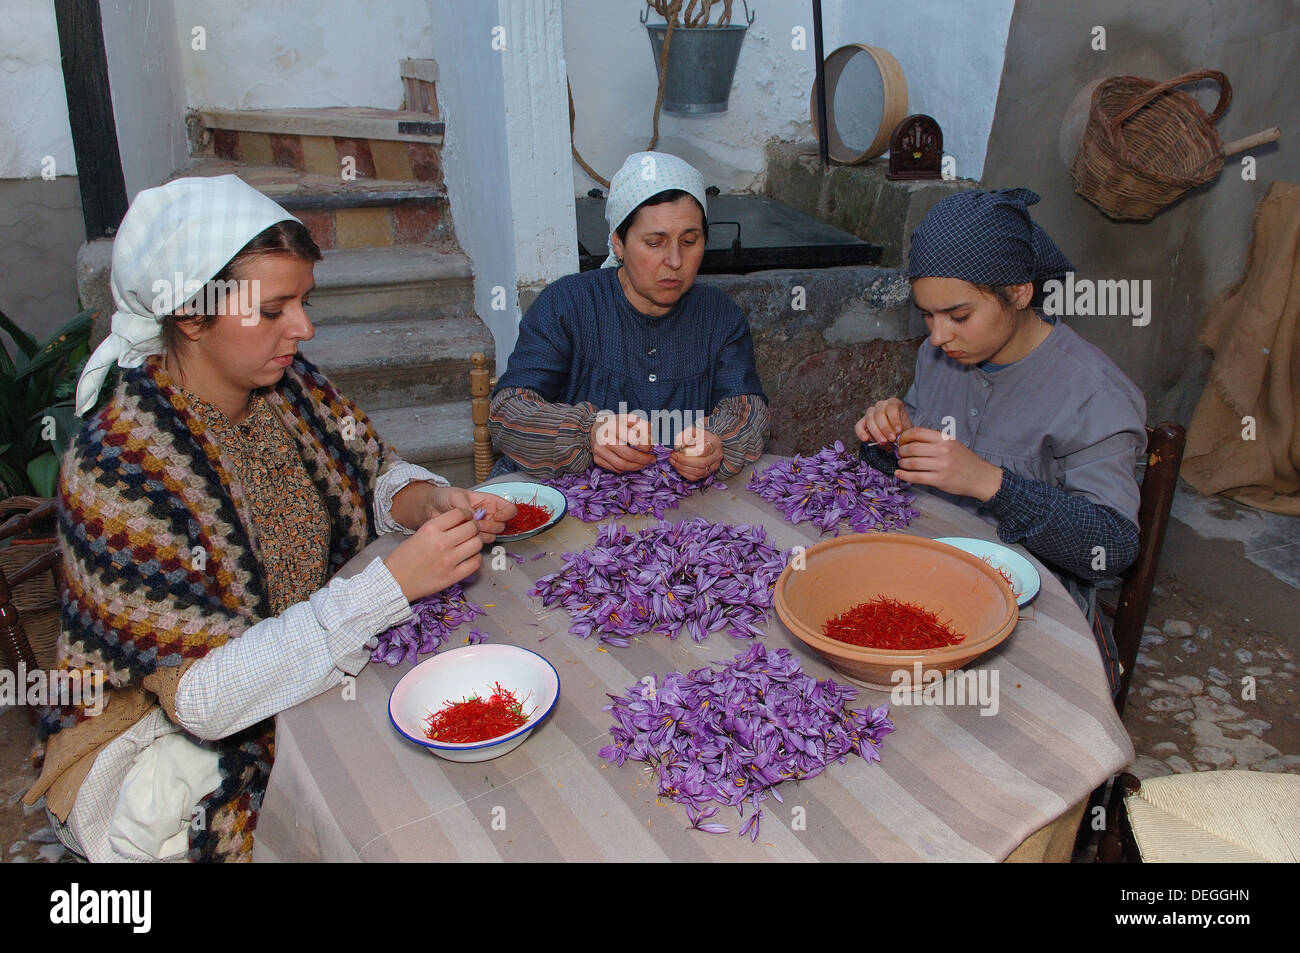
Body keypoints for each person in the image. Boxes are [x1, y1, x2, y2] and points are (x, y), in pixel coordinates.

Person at [25, 175, 516, 862]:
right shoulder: (120, 467)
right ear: (191, 316)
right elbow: (201, 698)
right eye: (274, 308)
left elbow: (375, 472)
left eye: (303, 303)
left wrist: (427, 500)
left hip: (299, 670)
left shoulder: (286, 383)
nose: (303, 328)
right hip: (160, 746)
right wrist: (389, 588)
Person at [855, 188, 1146, 692]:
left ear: (1019, 292)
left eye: (958, 315)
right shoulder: (940, 356)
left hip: (1041, 605)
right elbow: (912, 465)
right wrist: (887, 437)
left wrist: (991, 483)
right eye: (927, 315)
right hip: (932, 573)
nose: (939, 335)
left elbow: (1112, 546)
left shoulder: (1092, 394)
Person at [489, 151, 769, 481]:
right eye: (655, 242)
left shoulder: (719, 317)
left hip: (677, 510)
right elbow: (508, 413)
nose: (675, 260)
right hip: (575, 500)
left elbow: (748, 412)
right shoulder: (569, 305)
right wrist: (587, 433)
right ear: (619, 243)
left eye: (690, 241)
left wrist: (717, 442)